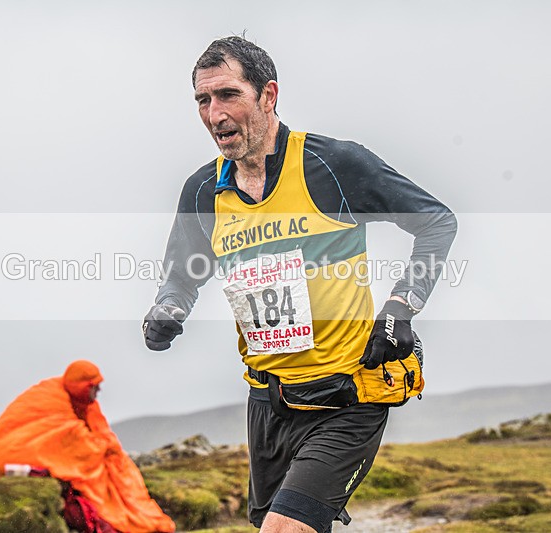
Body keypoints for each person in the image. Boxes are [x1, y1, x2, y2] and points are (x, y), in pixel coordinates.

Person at [142, 36, 457, 533]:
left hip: (348, 397)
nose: (214, 113)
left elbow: (437, 223)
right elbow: (183, 272)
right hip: (267, 402)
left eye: (228, 95)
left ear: (268, 96)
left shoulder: (334, 166)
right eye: (203, 100)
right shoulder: (204, 190)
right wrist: (168, 308)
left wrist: (402, 305)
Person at [0, 360, 175, 533]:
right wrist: (98, 448)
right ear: (83, 386)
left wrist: (106, 450)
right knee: (95, 459)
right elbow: (68, 438)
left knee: (113, 463)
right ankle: (119, 513)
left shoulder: (84, 402)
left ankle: (131, 510)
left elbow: (101, 434)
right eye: (94, 386)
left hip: (21, 458)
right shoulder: (48, 398)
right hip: (0, 461)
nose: (99, 391)